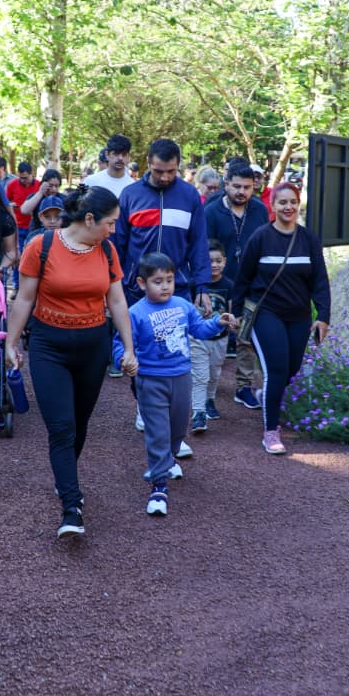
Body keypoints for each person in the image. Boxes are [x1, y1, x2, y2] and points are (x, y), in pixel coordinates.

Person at [5, 185, 137, 539]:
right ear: (90, 218)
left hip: (93, 347)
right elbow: (24, 299)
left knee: (79, 423)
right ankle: (72, 505)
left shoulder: (107, 250)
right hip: (49, 347)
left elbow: (118, 302)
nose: (114, 230)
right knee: (61, 427)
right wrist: (10, 343)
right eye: (110, 223)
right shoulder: (40, 246)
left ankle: (65, 478)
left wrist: (128, 348)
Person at [115, 138, 213, 445]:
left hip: (177, 288)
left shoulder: (188, 196)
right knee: (137, 353)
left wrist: (203, 287)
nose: (165, 177)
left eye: (171, 171)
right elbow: (117, 244)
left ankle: (169, 423)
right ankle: (146, 404)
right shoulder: (130, 195)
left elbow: (199, 242)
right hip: (135, 289)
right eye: (159, 171)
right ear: (147, 163)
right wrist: (114, 286)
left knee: (173, 353)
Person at [120, 252, 233, 516]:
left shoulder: (183, 305)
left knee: (178, 428)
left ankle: (167, 459)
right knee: (158, 432)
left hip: (181, 377)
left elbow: (200, 330)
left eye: (169, 280)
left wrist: (218, 322)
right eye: (158, 281)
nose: (165, 286)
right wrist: (124, 358)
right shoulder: (134, 313)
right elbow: (121, 344)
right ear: (141, 283)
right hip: (150, 380)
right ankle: (159, 487)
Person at [232, 182, 331, 455]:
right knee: (276, 370)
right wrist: (237, 312)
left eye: (293, 202)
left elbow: (320, 280)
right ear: (272, 206)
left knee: (291, 368)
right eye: (282, 202)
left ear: (299, 204)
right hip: (266, 313)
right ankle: (271, 431)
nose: (288, 207)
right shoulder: (261, 238)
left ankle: (267, 396)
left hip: (298, 314)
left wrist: (323, 316)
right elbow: (243, 279)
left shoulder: (309, 239)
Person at [205, 161, 271, 409]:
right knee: (214, 338)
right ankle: (206, 390)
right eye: (236, 186)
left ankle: (243, 387)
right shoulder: (211, 210)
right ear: (226, 183)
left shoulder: (259, 210)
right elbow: (205, 248)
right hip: (219, 283)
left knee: (245, 338)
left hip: (251, 283)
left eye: (247, 187)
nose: (241, 192)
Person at [189, 240, 233, 434]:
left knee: (214, 373)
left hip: (220, 338)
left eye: (218, 261)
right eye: (209, 261)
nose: (214, 265)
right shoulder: (195, 284)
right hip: (198, 339)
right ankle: (198, 413)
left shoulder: (229, 284)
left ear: (225, 261)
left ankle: (210, 400)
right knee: (200, 375)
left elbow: (232, 308)